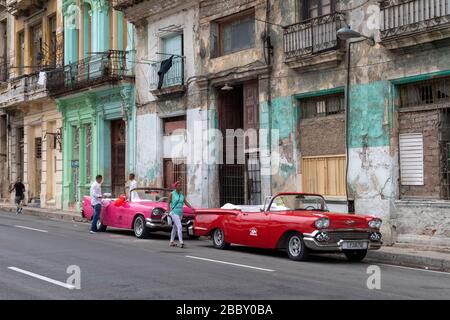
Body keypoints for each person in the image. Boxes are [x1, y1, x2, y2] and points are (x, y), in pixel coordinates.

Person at [167, 181, 193, 248]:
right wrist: (168, 211)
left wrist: (192, 208)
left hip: (180, 213)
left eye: (180, 185)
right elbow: (168, 203)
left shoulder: (181, 195)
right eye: (179, 186)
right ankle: (181, 242)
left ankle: (171, 242)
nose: (180, 186)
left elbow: (186, 202)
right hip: (174, 213)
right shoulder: (172, 194)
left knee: (175, 227)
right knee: (179, 226)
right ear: (175, 187)